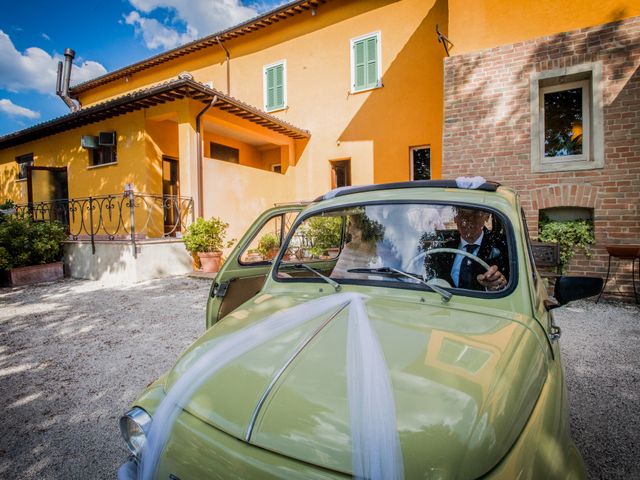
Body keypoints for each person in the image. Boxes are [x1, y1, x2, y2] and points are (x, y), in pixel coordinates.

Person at [425, 208, 509, 291]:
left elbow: (509, 284)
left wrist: (497, 285)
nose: (467, 221)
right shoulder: (443, 246)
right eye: (462, 213)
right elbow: (431, 277)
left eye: (475, 214)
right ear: (455, 217)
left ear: (486, 216)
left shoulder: (503, 245)